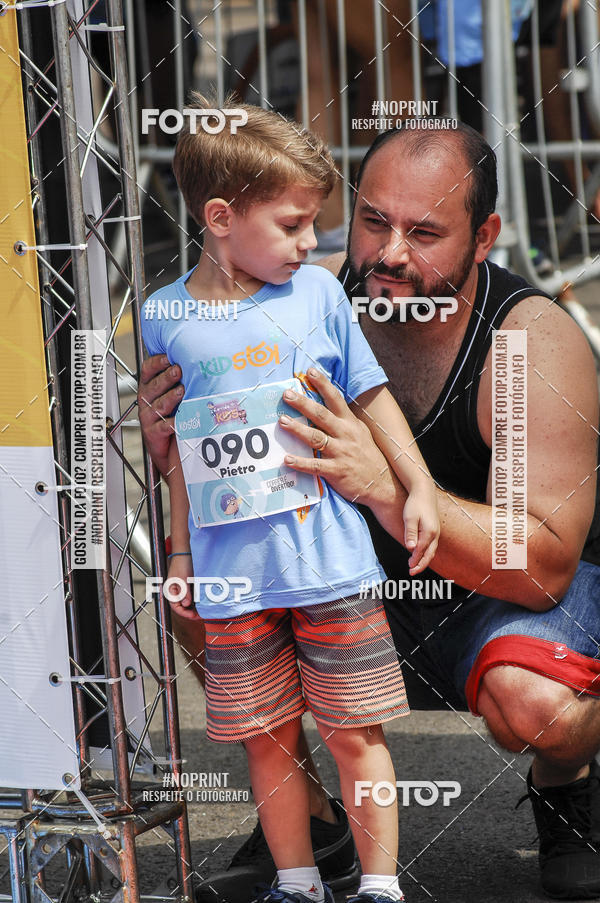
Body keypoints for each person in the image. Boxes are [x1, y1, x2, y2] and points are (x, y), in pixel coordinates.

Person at [139, 121, 600, 901]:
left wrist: (384, 483)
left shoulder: (525, 344)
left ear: (484, 236)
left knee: (539, 705)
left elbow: (543, 559)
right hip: (343, 578)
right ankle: (314, 821)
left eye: (424, 232)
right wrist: (180, 444)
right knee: (207, 594)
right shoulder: (296, 297)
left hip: (500, 599)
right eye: (374, 220)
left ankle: (570, 786)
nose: (389, 253)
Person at [140, 97, 441, 903]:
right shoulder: (165, 316)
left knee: (354, 733)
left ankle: (380, 886)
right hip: (233, 577)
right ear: (219, 219)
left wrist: (417, 487)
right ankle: (299, 881)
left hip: (330, 564)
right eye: (293, 223)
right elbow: (180, 455)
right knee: (267, 742)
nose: (313, 242)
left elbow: (371, 396)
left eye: (316, 223)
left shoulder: (317, 295)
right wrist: (176, 552)